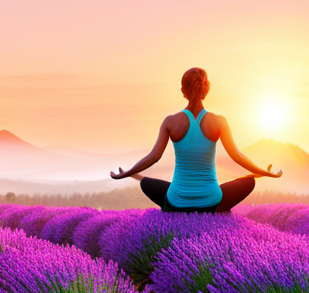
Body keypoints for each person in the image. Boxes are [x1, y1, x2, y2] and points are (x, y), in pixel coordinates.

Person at [110, 67, 282, 213]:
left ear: (183, 90)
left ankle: (136, 176)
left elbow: (153, 157)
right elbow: (238, 156)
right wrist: (265, 172)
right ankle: (257, 175)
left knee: (149, 185)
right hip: (211, 203)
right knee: (248, 181)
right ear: (206, 89)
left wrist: (125, 174)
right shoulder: (219, 121)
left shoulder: (170, 122)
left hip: (176, 204)